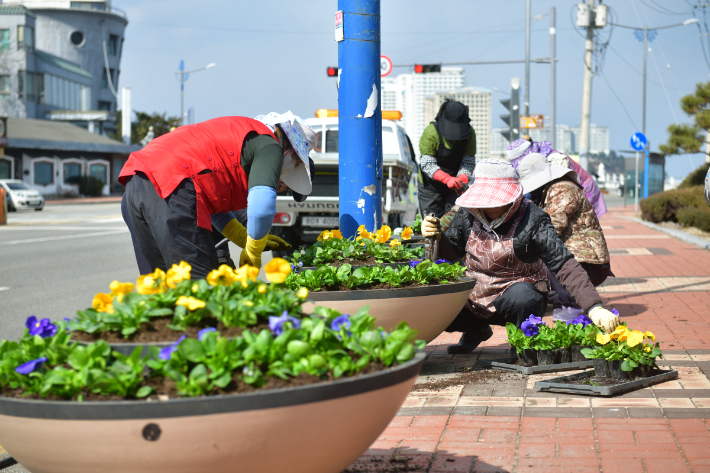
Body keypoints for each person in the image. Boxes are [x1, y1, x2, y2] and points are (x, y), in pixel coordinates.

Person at [421, 157, 620, 355]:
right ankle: (476, 329)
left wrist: (594, 307)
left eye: (495, 201)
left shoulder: (533, 218)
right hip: (475, 294)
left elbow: (563, 263)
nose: (488, 206)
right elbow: (451, 252)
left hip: (516, 294)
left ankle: (523, 344)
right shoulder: (468, 213)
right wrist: (437, 237)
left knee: (523, 298)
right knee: (438, 306)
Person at [119, 111, 316, 279]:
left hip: (137, 184)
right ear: (292, 152)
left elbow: (210, 202)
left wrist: (239, 236)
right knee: (199, 291)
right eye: (297, 165)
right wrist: (253, 250)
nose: (283, 184)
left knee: (161, 287)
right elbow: (263, 208)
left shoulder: (241, 137)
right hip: (172, 187)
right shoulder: (269, 145)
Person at [516, 153, 612, 321]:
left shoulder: (563, 188)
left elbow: (552, 226)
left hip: (587, 264)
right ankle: (562, 297)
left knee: (547, 251)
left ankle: (572, 303)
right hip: (579, 261)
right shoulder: (548, 191)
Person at [506, 138, 607, 219]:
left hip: (584, 193)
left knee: (584, 219)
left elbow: (561, 198)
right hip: (572, 198)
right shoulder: (544, 157)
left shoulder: (555, 160)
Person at [417, 99, 476, 218]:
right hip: (430, 186)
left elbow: (468, 161)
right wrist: (447, 179)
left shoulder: (470, 134)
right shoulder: (431, 132)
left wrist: (462, 178)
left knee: (455, 221)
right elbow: (427, 163)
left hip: (455, 187)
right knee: (432, 223)